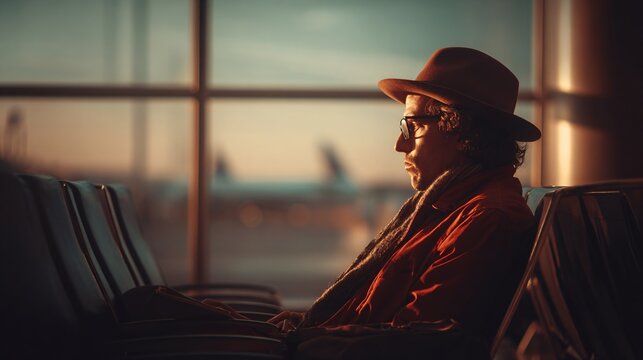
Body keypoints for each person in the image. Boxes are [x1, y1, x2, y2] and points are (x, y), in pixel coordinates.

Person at [269, 47, 541, 352]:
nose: (400, 145)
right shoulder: (443, 211)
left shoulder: (486, 218)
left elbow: (411, 342)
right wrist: (313, 326)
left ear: (463, 133)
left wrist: (301, 342)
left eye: (412, 127)